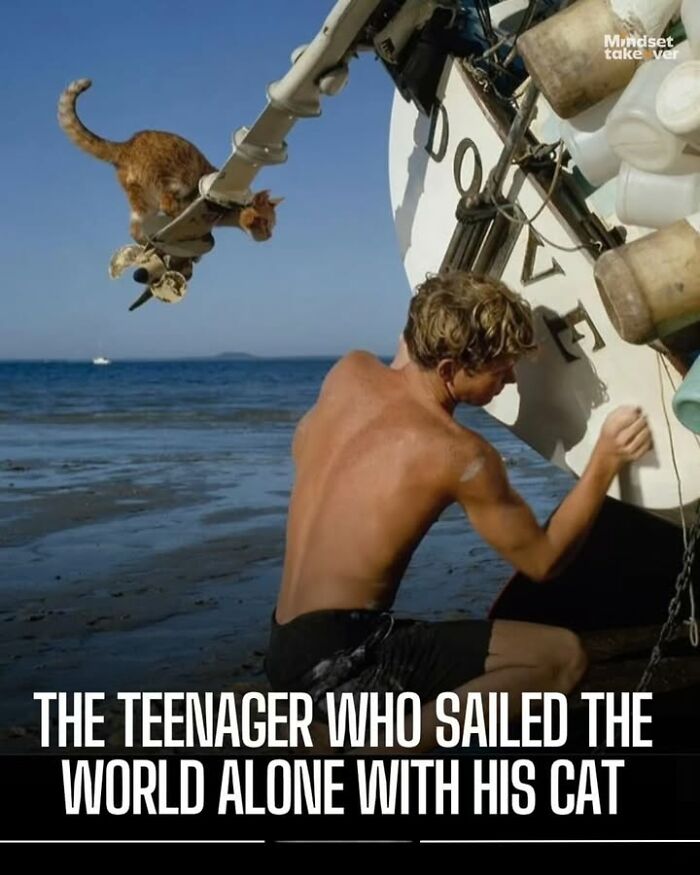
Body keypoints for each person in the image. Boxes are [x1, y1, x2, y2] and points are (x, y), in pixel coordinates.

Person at [264, 270, 653, 751]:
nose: (510, 379)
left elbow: (418, 332)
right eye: (499, 369)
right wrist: (605, 463)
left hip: (285, 646)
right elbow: (544, 560)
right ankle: (374, 746)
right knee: (562, 658)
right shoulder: (458, 454)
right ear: (450, 369)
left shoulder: (350, 370)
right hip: (341, 670)